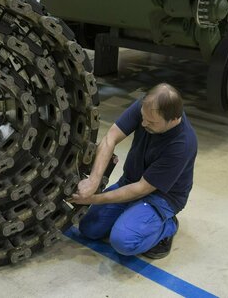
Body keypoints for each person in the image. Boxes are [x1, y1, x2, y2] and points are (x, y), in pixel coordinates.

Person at [71, 83, 197, 259]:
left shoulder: (182, 144)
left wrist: (93, 199)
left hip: (161, 197)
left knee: (123, 242)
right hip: (131, 182)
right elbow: (111, 138)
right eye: (143, 117)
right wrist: (94, 180)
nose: (144, 123)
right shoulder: (148, 108)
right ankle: (134, 216)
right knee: (89, 228)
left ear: (174, 119)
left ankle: (168, 226)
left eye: (151, 122)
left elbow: (142, 189)